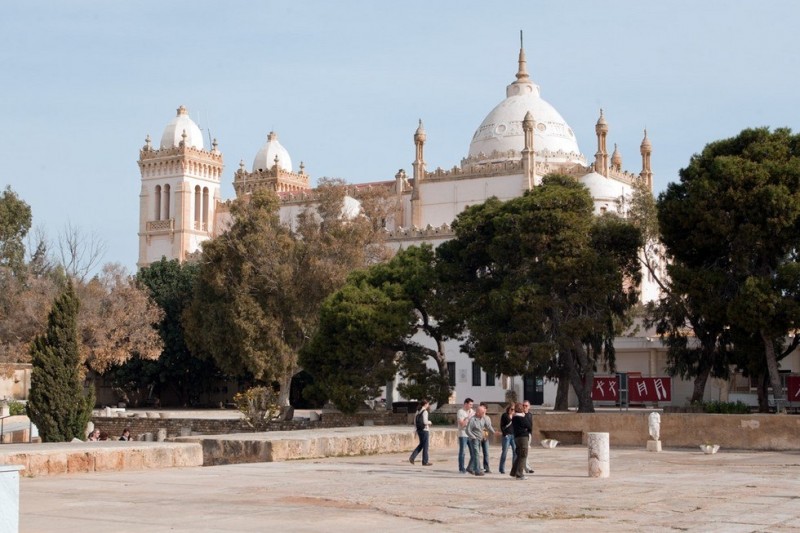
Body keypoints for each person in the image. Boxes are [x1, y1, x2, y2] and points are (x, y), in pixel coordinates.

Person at [466, 405, 491, 476]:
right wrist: (473, 436)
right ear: (478, 413)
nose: (484, 414)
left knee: (476, 454)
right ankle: (477, 470)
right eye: (482, 412)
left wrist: (494, 432)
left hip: (480, 439)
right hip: (474, 440)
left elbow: (487, 426)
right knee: (476, 454)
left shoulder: (482, 419)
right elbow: (467, 430)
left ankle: (470, 468)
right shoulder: (472, 420)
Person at [510, 402, 532, 480]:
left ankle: (514, 472)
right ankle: (519, 474)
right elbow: (529, 425)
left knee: (519, 454)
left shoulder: (514, 417)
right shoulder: (521, 417)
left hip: (517, 437)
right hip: (523, 438)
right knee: (523, 455)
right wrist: (524, 415)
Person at [409, 399, 433, 466]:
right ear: (425, 404)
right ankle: (425, 461)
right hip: (425, 430)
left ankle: (412, 457)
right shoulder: (425, 411)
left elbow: (415, 421)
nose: (428, 405)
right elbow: (425, 422)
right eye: (428, 404)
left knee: (421, 445)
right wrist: (430, 422)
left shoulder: (418, 411)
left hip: (419, 430)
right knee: (425, 446)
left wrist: (416, 429)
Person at [456, 398, 475, 474]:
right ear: (466, 404)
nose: (471, 406)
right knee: (462, 452)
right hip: (463, 434)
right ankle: (461, 468)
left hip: (470, 434)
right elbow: (462, 424)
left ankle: (469, 467)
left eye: (472, 405)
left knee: (473, 452)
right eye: (470, 404)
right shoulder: (460, 412)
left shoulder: (472, 412)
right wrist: (468, 417)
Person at [498, 404, 517, 474]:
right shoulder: (505, 415)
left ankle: (514, 468)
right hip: (507, 436)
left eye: (513, 409)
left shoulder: (515, 416)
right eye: (511, 409)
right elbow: (502, 425)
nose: (512, 411)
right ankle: (501, 468)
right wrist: (504, 434)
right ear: (508, 409)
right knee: (504, 452)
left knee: (515, 452)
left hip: (513, 435)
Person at [479, 402, 497, 473]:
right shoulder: (477, 417)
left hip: (485, 437)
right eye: (482, 408)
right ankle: (478, 467)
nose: (483, 409)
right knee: (478, 452)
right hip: (478, 436)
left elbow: (489, 426)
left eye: (484, 408)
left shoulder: (487, 418)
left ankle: (486, 467)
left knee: (486, 453)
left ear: (486, 409)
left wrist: (494, 432)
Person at [523, 400, 534, 473]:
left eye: (526, 406)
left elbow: (530, 425)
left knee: (525, 452)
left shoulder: (529, 415)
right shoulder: (520, 415)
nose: (524, 407)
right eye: (523, 405)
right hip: (522, 436)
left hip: (528, 435)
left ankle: (526, 467)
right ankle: (527, 468)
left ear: (529, 407)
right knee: (524, 452)